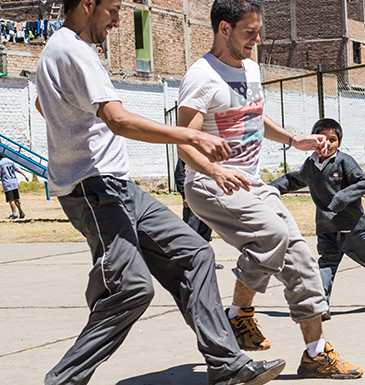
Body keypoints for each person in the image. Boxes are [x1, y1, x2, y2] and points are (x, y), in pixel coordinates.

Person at [35, 1, 285, 384]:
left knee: (194, 253)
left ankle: (227, 365)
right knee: (132, 288)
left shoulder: (60, 49)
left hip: (117, 185)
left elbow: (42, 103)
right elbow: (117, 120)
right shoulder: (73, 50)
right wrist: (190, 134)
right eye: (113, 10)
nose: (119, 21)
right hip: (92, 187)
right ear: (88, 5)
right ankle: (63, 380)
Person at [176, 0, 362, 379]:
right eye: (249, 32)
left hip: (251, 184)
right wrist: (214, 170)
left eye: (259, 31)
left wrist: (295, 140)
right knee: (272, 235)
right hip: (211, 184)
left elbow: (255, 117)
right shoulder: (201, 77)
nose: (257, 40)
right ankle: (239, 315)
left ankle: (315, 353)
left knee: (302, 260)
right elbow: (184, 142)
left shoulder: (250, 69)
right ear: (223, 29)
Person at [270, 118, 365, 318]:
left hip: (353, 228)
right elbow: (293, 179)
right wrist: (268, 189)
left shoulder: (344, 161)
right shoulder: (310, 165)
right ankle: (322, 305)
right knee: (326, 265)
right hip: (326, 229)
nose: (326, 144)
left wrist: (340, 199)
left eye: (332, 140)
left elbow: (363, 183)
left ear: (339, 143)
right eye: (321, 139)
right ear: (312, 140)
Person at [174, 158, 224, 269]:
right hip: (193, 195)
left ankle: (206, 262)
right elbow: (179, 173)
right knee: (191, 231)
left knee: (205, 232)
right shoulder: (189, 150)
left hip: (209, 196)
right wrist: (184, 195)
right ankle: (187, 263)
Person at [0, 153, 29, 219]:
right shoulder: (11, 161)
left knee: (11, 199)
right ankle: (21, 211)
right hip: (14, 182)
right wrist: (25, 176)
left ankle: (14, 214)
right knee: (16, 198)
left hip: (7, 183)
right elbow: (18, 169)